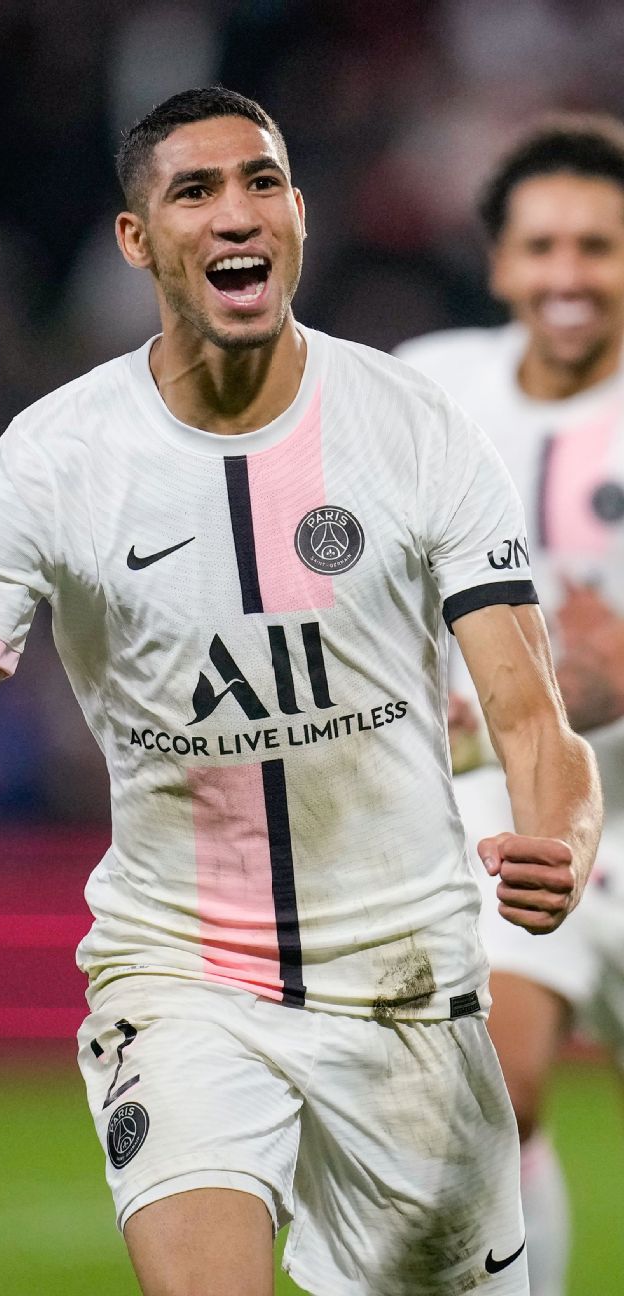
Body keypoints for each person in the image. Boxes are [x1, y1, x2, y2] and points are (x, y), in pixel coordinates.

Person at [0, 88, 601, 1296]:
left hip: (405, 977)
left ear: (299, 215)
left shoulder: (414, 425)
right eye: (196, 190)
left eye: (262, 182)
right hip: (182, 974)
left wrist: (564, 834)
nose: (239, 213)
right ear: (136, 240)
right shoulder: (55, 457)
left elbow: (532, 716)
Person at [396, 114, 624, 1296]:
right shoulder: (431, 387)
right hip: (516, 810)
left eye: (598, 246)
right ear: (499, 264)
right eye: (543, 248)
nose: (568, 276)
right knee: (498, 1097)